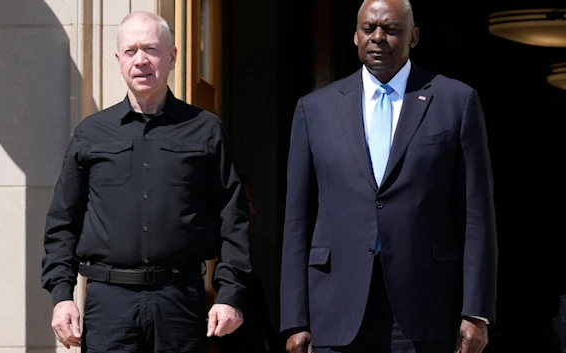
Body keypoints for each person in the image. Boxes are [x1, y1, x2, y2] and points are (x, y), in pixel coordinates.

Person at [279, 0, 498, 352]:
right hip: (336, 307)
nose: (378, 37)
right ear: (355, 36)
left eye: (391, 29)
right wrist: (294, 317)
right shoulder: (315, 108)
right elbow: (297, 219)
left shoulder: (455, 101)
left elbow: (477, 216)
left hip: (425, 307)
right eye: (369, 29)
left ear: (413, 36)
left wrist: (476, 311)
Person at [41, 10, 251, 353]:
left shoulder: (206, 130)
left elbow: (234, 217)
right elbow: (62, 222)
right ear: (118, 60)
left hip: (179, 301)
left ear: (172, 57)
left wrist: (230, 293)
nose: (141, 60)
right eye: (131, 51)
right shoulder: (91, 134)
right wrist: (61, 295)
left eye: (151, 49)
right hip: (108, 305)